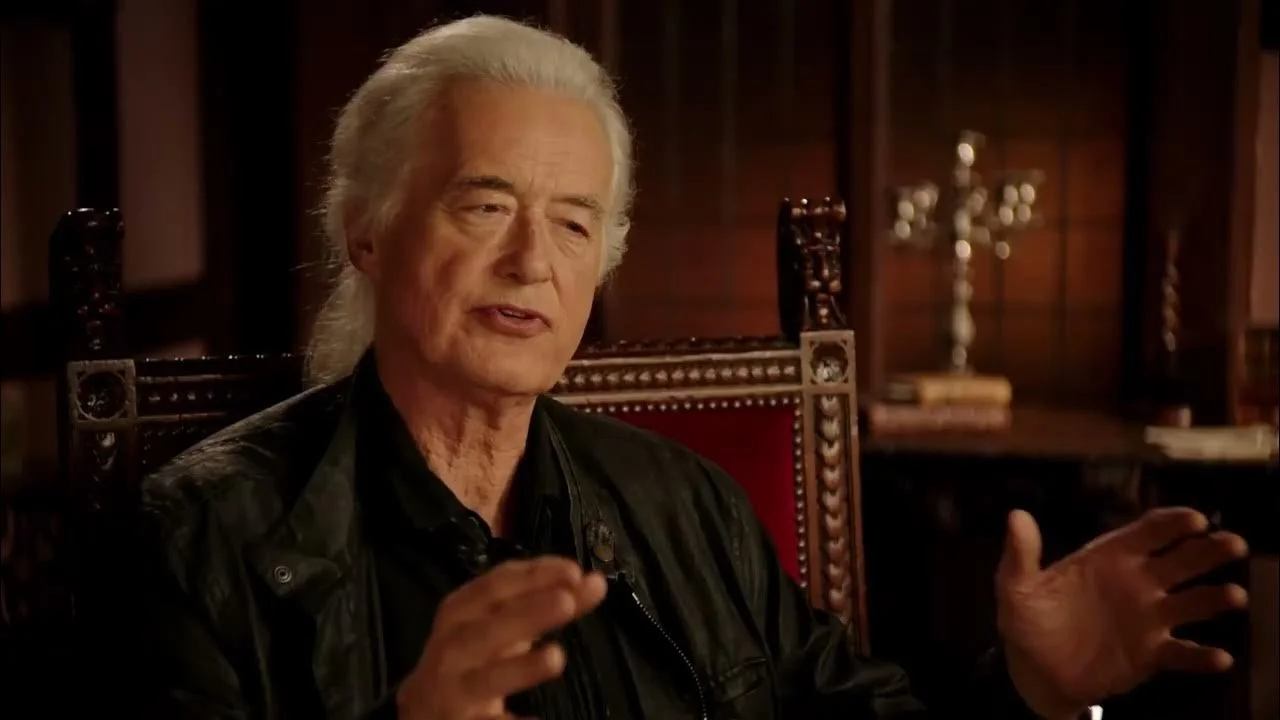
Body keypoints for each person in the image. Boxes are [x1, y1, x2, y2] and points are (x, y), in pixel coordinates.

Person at [135, 15, 1250, 720]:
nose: (532, 260)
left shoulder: (687, 506)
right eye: (484, 206)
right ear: (366, 232)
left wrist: (1026, 694)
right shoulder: (202, 535)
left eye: (575, 224)